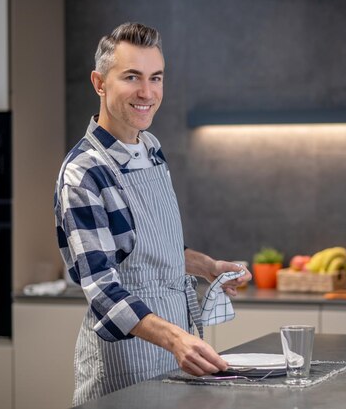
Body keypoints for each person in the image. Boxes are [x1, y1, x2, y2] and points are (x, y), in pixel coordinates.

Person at [54, 22, 252, 405]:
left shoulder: (152, 148)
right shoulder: (84, 171)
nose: (147, 93)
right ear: (100, 83)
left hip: (175, 355)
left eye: (156, 78)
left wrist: (208, 267)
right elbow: (102, 288)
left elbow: (148, 251)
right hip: (123, 365)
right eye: (132, 77)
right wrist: (176, 337)